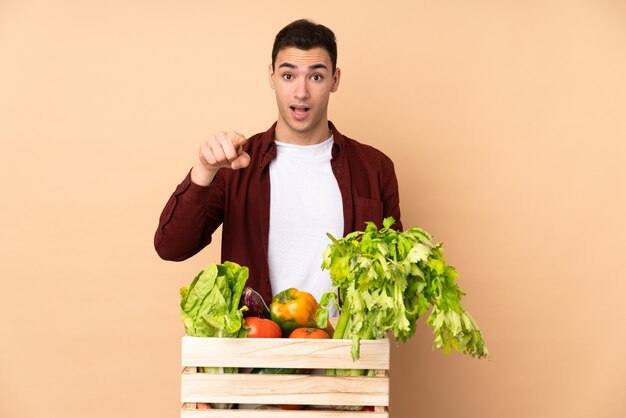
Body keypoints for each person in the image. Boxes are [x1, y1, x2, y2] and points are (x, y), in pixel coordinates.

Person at [154, 19, 402, 305]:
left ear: (335, 80)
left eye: (316, 77)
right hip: (257, 342)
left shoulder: (375, 168)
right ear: (271, 76)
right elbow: (171, 247)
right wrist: (204, 170)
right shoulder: (236, 164)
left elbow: (395, 277)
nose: (301, 93)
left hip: (345, 347)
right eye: (288, 76)